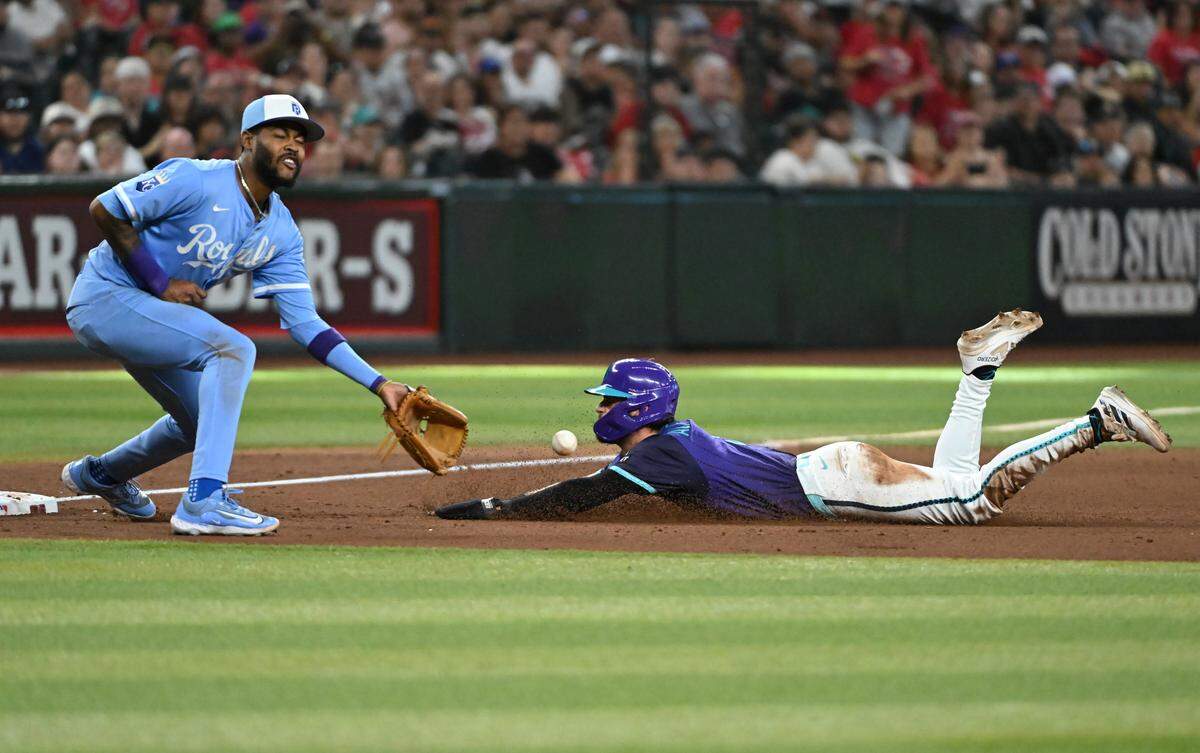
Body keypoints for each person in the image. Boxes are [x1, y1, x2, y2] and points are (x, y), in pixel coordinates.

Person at [436, 311, 1171, 524]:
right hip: (834, 466)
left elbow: (579, 495)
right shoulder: (674, 440)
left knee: (970, 500)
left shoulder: (660, 454)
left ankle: (1096, 423)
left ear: (638, 407)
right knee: (951, 478)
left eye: (607, 400)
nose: (600, 409)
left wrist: (492, 508)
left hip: (834, 481)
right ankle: (979, 367)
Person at [61, 94, 413, 536]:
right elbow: (105, 209)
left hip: (149, 315)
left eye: (300, 140)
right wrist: (159, 281)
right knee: (233, 349)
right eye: (279, 134)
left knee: (196, 421)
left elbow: (307, 326)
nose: (293, 147)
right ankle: (204, 501)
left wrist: (379, 384)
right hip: (106, 298)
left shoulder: (281, 231)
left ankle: (102, 474)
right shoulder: (195, 177)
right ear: (247, 139)